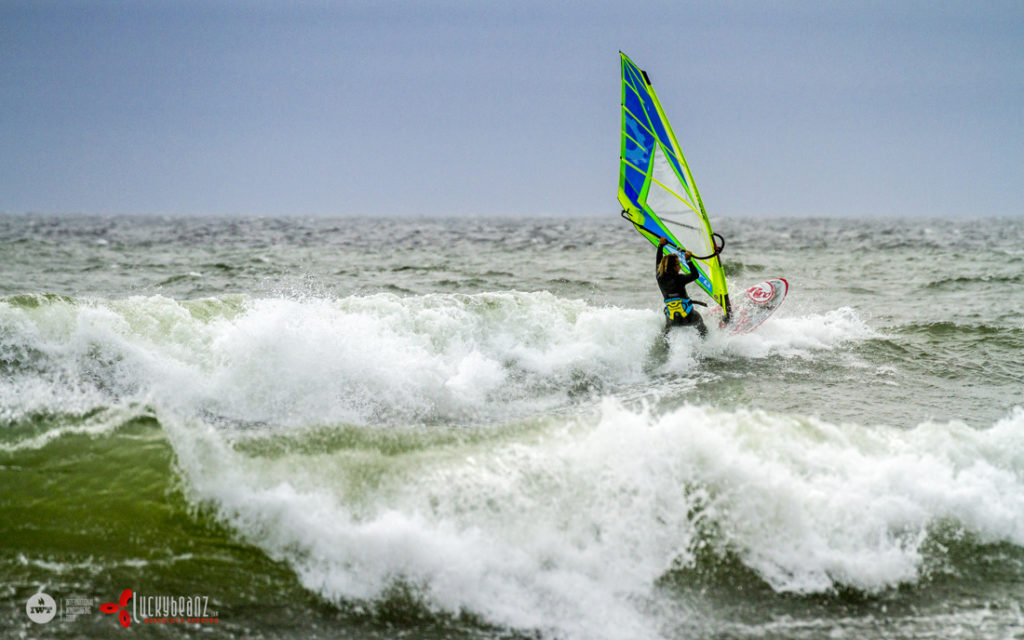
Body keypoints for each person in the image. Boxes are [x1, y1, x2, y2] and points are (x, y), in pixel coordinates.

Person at [656, 236, 707, 338]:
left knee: (667, 327)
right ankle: (707, 344)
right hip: (689, 318)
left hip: (673, 321)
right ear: (674, 267)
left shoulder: (659, 277)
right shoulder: (680, 278)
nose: (680, 266)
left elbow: (658, 262)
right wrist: (688, 260)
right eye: (678, 264)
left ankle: (666, 347)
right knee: (701, 326)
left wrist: (660, 246)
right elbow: (695, 275)